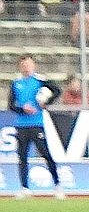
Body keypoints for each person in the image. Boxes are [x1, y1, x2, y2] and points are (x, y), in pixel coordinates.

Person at [9, 56, 63, 197]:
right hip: (21, 125)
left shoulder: (40, 81)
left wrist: (47, 102)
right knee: (22, 157)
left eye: (28, 65)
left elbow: (57, 91)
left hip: (37, 124)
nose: (26, 68)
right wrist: (23, 109)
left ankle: (57, 185)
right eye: (23, 65)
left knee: (45, 154)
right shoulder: (16, 83)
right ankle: (25, 188)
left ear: (33, 66)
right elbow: (11, 105)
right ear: (20, 67)